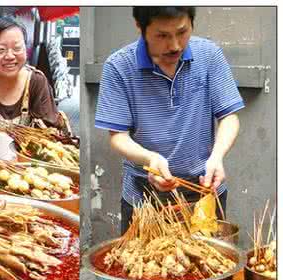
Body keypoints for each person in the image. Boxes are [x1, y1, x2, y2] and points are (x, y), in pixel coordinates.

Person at [94, 7, 244, 234]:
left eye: (182, 32)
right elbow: (118, 137)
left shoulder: (209, 55)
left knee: (208, 264)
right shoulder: (118, 67)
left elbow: (229, 117)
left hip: (204, 191)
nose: (174, 45)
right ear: (140, 27)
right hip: (145, 198)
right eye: (162, 35)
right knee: (143, 266)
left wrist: (217, 156)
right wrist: (150, 158)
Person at [0, 16, 67, 150]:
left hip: (32, 165)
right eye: (1, 50)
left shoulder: (36, 81)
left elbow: (47, 135)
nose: (10, 56)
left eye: (17, 48)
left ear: (25, 50)